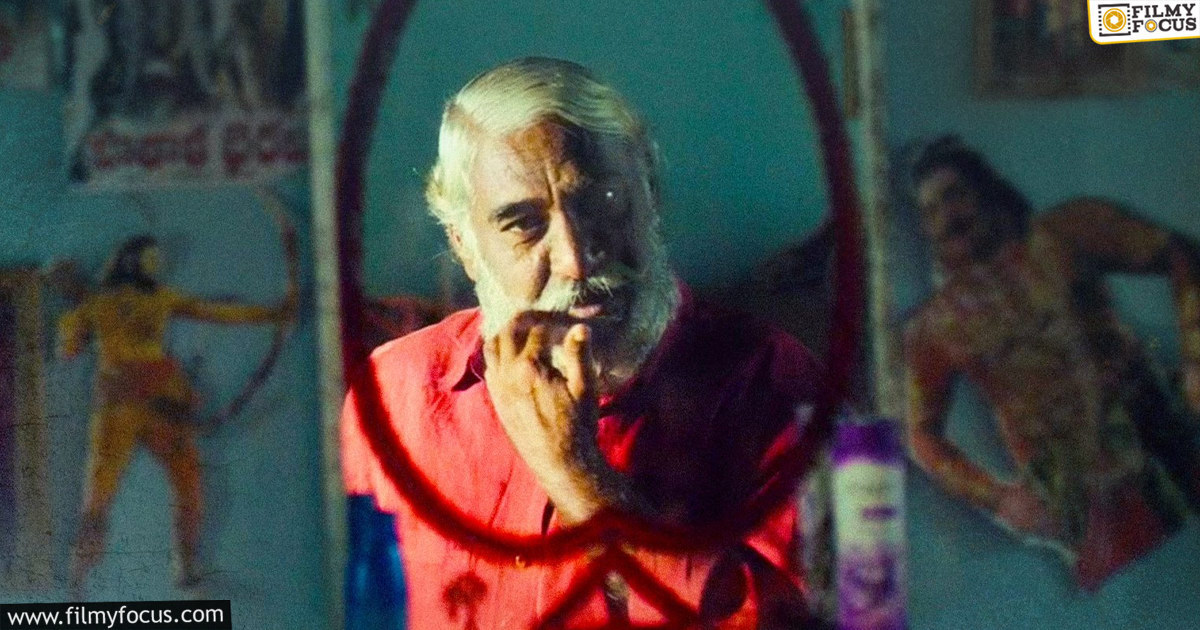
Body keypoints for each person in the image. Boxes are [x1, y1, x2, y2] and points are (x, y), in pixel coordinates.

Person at [340, 57, 828, 628]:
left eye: (604, 203)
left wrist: (575, 474)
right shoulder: (394, 393)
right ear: (464, 244)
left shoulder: (772, 381)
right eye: (523, 223)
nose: (575, 259)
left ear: (651, 195)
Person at [903, 136, 1200, 591]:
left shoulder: (1068, 231)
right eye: (930, 210)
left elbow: (1178, 253)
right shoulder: (934, 327)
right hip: (1082, 496)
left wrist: (1196, 357)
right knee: (1137, 600)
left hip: (1162, 434)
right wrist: (999, 499)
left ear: (986, 190)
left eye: (953, 195)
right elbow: (921, 434)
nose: (947, 216)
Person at [59, 235, 294, 593]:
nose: (154, 267)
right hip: (121, 406)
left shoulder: (152, 299)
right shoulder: (102, 303)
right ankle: (79, 572)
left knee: (185, 484)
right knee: (100, 495)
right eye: (148, 260)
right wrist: (79, 322)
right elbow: (69, 346)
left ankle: (185, 564)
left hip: (159, 402)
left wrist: (272, 314)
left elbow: (214, 311)